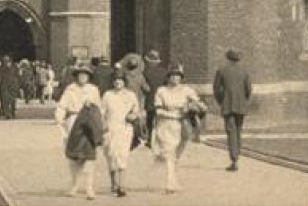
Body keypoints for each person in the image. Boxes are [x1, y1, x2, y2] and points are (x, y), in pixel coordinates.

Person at [152, 64, 204, 193]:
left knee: (176, 155)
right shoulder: (161, 91)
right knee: (170, 153)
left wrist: (195, 106)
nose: (175, 78)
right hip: (167, 125)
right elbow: (158, 111)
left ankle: (174, 180)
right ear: (168, 77)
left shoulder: (186, 90)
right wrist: (174, 114)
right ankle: (170, 183)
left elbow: (199, 104)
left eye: (178, 76)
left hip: (183, 125)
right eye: (173, 76)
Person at [55, 63, 103, 199]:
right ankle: (74, 185)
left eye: (85, 75)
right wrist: (59, 118)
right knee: (73, 156)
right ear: (76, 76)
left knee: (89, 155)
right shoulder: (70, 89)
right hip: (73, 121)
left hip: (89, 124)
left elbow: (99, 108)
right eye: (80, 74)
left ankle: (89, 188)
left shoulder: (93, 90)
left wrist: (100, 124)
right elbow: (62, 105)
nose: (83, 77)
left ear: (89, 77)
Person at [101, 68, 141, 196]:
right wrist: (103, 125)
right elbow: (102, 112)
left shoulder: (130, 95)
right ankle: (113, 184)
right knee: (111, 156)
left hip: (125, 129)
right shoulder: (107, 95)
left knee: (122, 155)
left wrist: (133, 115)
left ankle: (121, 185)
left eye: (120, 80)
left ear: (124, 82)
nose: (118, 83)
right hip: (110, 128)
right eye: (115, 81)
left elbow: (136, 110)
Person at [213, 48, 253, 171]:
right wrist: (243, 100)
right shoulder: (244, 71)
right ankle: (237, 156)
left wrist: (222, 100)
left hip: (228, 105)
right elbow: (248, 89)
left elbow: (216, 89)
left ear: (228, 58)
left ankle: (234, 159)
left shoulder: (221, 70)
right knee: (238, 131)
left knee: (231, 131)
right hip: (241, 105)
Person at [0, 54, 20, 120]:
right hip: (4, 87)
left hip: (13, 86)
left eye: (7, 60)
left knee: (13, 101)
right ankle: (7, 114)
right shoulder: (1, 68)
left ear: (10, 60)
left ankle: (12, 112)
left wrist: (18, 86)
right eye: (5, 60)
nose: (6, 62)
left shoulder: (14, 67)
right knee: (5, 101)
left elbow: (17, 77)